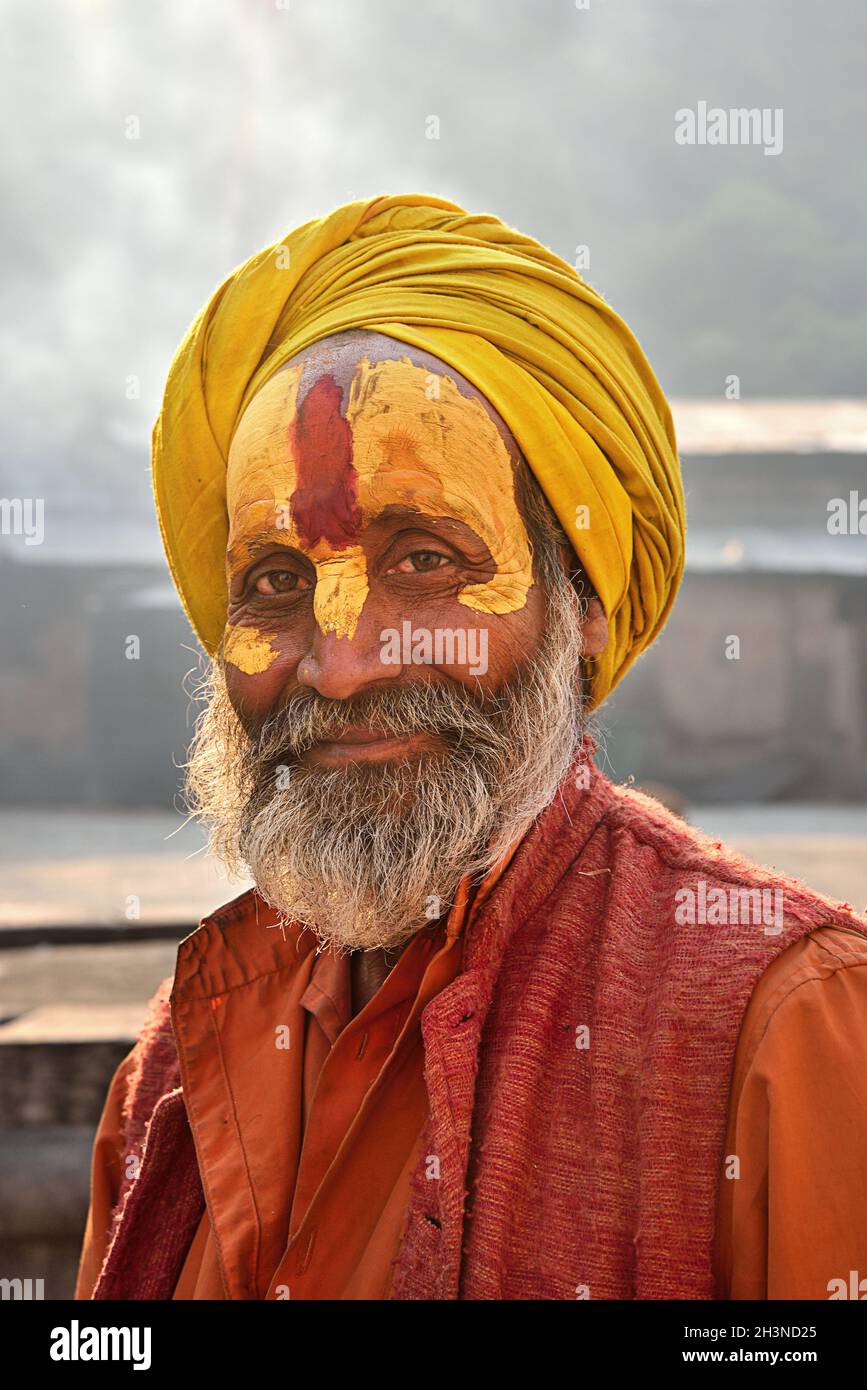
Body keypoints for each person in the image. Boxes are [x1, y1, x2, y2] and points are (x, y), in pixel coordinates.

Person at [76, 194, 867, 1301]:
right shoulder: (181, 1050)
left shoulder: (785, 1030)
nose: (340, 665)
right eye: (275, 582)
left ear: (580, 607)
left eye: (426, 560)